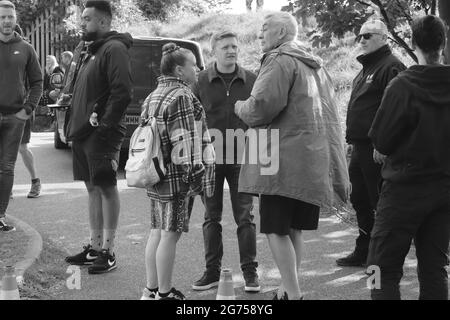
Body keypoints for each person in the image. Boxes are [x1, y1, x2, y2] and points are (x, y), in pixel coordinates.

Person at [234, 12, 350, 300]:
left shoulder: (278, 60)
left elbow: (260, 107)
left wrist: (238, 106)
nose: (260, 35)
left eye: (265, 30)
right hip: (310, 161)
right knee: (294, 229)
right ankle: (287, 289)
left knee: (275, 229)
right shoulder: (315, 65)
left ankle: (294, 294)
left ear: (282, 32)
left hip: (281, 162)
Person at [368, 15, 450, 300]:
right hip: (444, 190)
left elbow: (382, 140)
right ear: (444, 42)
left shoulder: (402, 86)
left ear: (413, 43)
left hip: (404, 189)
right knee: (435, 267)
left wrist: (384, 147)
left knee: (379, 268)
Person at [140, 43, 215, 300]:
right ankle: (165, 292)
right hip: (176, 177)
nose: (198, 69)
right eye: (194, 65)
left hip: (155, 172)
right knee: (170, 236)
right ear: (180, 70)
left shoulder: (154, 94)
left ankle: (150, 290)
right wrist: (195, 177)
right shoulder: (181, 95)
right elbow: (184, 142)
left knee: (157, 232)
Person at [64, 0, 133, 274]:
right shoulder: (90, 51)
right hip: (82, 133)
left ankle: (108, 251)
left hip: (101, 134)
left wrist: (104, 126)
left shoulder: (114, 48)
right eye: (82, 18)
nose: (83, 23)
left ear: (104, 21)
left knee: (106, 188)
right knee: (92, 188)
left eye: (88, 18)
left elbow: (123, 92)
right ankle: (94, 248)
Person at [191, 31, 260, 293]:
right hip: (210, 158)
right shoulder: (200, 80)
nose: (231, 50)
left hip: (242, 156)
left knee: (246, 217)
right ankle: (211, 272)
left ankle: (251, 274)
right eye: (225, 47)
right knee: (211, 217)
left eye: (234, 46)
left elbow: (261, 114)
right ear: (214, 52)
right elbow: (193, 118)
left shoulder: (252, 79)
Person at [336, 19, 406, 267]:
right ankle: (364, 250)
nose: (362, 39)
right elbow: (360, 108)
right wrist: (351, 140)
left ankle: (384, 257)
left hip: (378, 150)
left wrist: (383, 144)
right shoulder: (367, 67)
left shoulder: (392, 66)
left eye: (368, 35)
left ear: (384, 38)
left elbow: (397, 111)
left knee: (381, 203)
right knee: (361, 201)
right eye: (360, 36)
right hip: (360, 147)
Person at [0, 0, 43, 232]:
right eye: (2, 17)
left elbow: (37, 82)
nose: (6, 21)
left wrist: (27, 109)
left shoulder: (26, 48)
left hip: (15, 118)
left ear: (15, 20)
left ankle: (0, 214)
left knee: (7, 167)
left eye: (9, 17)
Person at [10, 23, 42, 199]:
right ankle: (7, 186)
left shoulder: (26, 52)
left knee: (22, 148)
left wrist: (28, 107)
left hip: (23, 109)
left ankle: (35, 181)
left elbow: (36, 83)